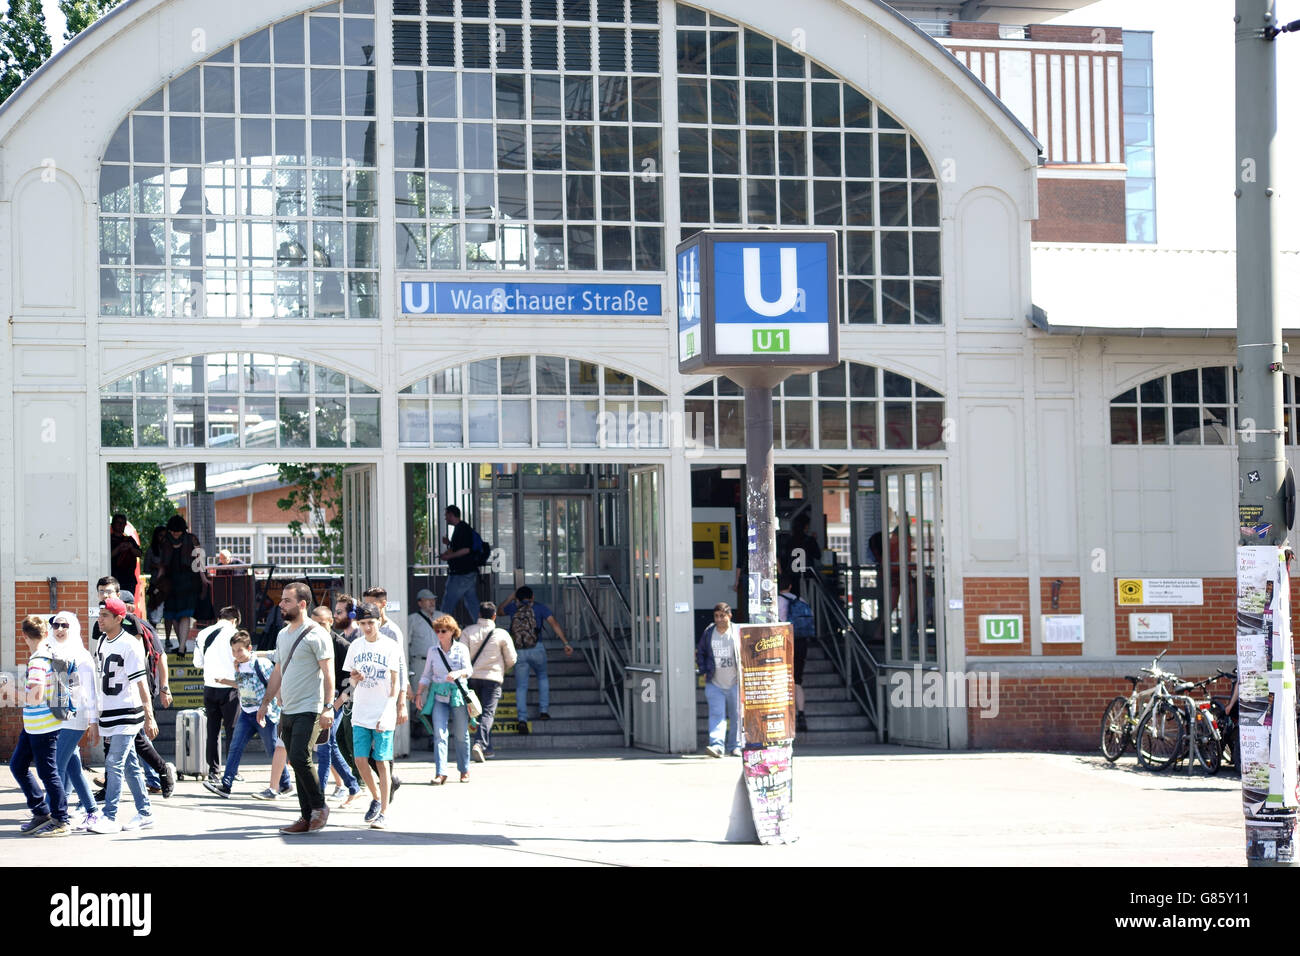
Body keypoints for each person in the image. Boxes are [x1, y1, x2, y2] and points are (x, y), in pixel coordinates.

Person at [256, 582, 334, 835]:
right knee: (296, 760)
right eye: (281, 600)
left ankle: (319, 807)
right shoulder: (282, 634)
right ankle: (305, 816)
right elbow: (278, 671)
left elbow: (329, 674)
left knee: (300, 756)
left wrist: (328, 707)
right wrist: (266, 701)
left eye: (287, 600)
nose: (281, 604)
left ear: (302, 604)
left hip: (310, 707)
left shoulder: (317, 634)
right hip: (287, 708)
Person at [91, 577, 174, 798]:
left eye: (108, 591)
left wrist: (163, 689)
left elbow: (149, 657)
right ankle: (157, 775)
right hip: (110, 693)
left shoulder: (131, 623)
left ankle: (158, 775)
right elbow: (100, 657)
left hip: (133, 692)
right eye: (101, 591)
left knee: (135, 742)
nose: (104, 595)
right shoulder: (100, 624)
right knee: (130, 744)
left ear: (118, 594)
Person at [90, 598, 158, 833]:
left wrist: (149, 715)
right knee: (130, 765)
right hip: (109, 711)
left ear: (119, 618)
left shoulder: (130, 644)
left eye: (105, 616)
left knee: (113, 763)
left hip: (128, 712)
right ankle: (145, 813)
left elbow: (140, 683)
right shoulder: (101, 642)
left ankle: (109, 816)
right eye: (100, 615)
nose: (100, 619)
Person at [203, 630, 293, 799]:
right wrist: (227, 681)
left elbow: (275, 683)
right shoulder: (238, 665)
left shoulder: (262, 663)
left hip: (265, 713)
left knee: (272, 749)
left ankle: (286, 784)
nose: (236, 654)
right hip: (246, 713)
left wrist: (278, 701)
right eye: (233, 651)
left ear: (249, 648)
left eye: (239, 650)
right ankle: (226, 785)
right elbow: (242, 685)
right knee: (235, 747)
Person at [9, 616, 72, 836]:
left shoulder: (37, 661)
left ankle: (61, 820)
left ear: (24, 636)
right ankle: (41, 812)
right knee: (18, 765)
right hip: (37, 726)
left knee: (48, 774)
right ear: (46, 633)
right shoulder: (47, 656)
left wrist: (8, 691)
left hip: (42, 726)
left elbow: (34, 698)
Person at [343, 603, 401, 828]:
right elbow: (352, 680)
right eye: (363, 623)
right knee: (359, 760)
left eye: (371, 623)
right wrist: (356, 678)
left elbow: (395, 684)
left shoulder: (390, 646)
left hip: (383, 710)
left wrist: (389, 710)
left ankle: (384, 811)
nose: (367, 627)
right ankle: (376, 797)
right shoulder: (356, 646)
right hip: (361, 710)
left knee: (381, 761)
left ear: (379, 622)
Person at [46, 611, 103, 831]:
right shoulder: (49, 651)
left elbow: (91, 691)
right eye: (56, 625)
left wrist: (94, 722)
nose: (59, 629)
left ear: (74, 628)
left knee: (56, 766)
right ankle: (92, 811)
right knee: (73, 769)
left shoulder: (81, 655)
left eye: (65, 625)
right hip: (57, 717)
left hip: (75, 717)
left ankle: (55, 817)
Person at [501, 585, 573, 733]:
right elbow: (554, 624)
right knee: (542, 678)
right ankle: (544, 711)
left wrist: (510, 597)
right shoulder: (540, 608)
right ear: (532, 596)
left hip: (519, 651)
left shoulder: (513, 608)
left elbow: (498, 611)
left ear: (517, 598)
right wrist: (565, 643)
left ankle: (522, 719)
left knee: (521, 686)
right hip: (537, 648)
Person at [361, 586, 408, 799]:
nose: (367, 609)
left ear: (383, 604)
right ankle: (389, 779)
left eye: (372, 604)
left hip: (387, 696)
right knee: (361, 746)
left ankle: (386, 787)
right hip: (367, 695)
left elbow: (400, 665)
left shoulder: (392, 631)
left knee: (383, 745)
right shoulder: (363, 627)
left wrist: (401, 701)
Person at [416, 614, 473, 785]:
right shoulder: (433, 651)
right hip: (439, 696)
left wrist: (458, 673)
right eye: (437, 630)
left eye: (444, 630)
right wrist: (419, 694)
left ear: (452, 632)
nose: (440, 633)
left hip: (457, 695)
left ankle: (464, 769)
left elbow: (469, 670)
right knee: (439, 734)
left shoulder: (461, 648)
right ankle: (441, 772)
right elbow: (426, 675)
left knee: (462, 734)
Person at [314, 603, 361, 807]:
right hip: (318, 700)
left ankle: (319, 793)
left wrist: (336, 704)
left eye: (322, 624)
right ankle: (352, 785)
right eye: (314, 624)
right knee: (328, 744)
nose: (318, 628)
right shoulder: (312, 642)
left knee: (325, 743)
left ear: (331, 622)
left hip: (337, 700)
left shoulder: (342, 645)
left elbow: (352, 682)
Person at [459, 601, 516, 762]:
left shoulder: (468, 632)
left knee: (476, 712)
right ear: (494, 615)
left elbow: (460, 656)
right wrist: (501, 669)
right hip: (492, 678)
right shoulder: (501, 634)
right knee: (488, 713)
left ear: (478, 615)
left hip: (471, 678)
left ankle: (487, 748)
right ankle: (480, 744)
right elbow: (512, 659)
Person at [193, 606, 240, 782]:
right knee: (232, 730)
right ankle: (232, 771)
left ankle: (213, 771)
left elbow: (197, 663)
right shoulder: (236, 635)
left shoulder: (203, 633)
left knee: (212, 731)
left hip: (209, 687)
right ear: (235, 619)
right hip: (230, 689)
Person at [326, 595, 363, 793]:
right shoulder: (341, 638)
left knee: (350, 740)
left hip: (354, 698)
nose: (335, 616)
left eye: (339, 612)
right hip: (344, 698)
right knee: (338, 740)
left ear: (351, 614)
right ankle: (354, 779)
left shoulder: (358, 639)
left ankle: (358, 780)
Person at [696, 602, 743, 758]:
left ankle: (735, 746)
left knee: (736, 715)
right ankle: (717, 746)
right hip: (714, 682)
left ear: (729, 615)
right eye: (716, 616)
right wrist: (703, 670)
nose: (719, 619)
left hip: (735, 681)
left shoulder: (737, 632)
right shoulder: (709, 632)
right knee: (717, 714)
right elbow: (700, 652)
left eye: (722, 615)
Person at [158, 514, 205, 653]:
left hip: (184, 582)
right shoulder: (171, 540)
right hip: (175, 582)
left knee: (180, 615)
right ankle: (182, 645)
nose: (175, 534)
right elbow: (162, 564)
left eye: (177, 531)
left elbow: (199, 560)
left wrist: (203, 578)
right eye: (172, 531)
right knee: (175, 615)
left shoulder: (186, 539)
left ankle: (182, 647)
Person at [777, 576, 811, 733]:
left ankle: (784, 715)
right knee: (797, 680)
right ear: (790, 586)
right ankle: (801, 715)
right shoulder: (801, 600)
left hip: (783, 642)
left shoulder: (776, 601)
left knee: (782, 679)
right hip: (801, 641)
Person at [438, 505, 480, 625]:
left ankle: (441, 628)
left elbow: (466, 550)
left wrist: (448, 556)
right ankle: (484, 627)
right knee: (472, 602)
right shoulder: (462, 528)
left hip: (460, 574)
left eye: (446, 515)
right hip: (468, 572)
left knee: (448, 603)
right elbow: (461, 548)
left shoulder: (462, 529)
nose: (445, 518)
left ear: (451, 515)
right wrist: (450, 544)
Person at [408, 589, 439, 695]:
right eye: (427, 600)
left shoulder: (442, 617)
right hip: (420, 663)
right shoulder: (412, 620)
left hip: (440, 662)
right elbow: (406, 643)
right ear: (420, 603)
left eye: (433, 600)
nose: (432, 602)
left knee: (440, 696)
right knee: (420, 695)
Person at [110, 514, 144, 609]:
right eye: (118, 523)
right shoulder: (108, 540)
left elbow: (139, 554)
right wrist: (118, 549)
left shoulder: (129, 539)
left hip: (129, 579)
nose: (120, 525)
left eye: (122, 523)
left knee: (128, 606)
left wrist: (130, 548)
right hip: (114, 578)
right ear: (113, 524)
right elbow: (106, 557)